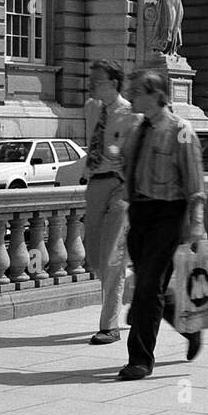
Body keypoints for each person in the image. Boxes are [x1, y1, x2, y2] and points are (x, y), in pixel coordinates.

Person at [117, 69, 206, 381]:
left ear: (156, 95)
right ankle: (189, 327)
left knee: (147, 287)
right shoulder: (138, 128)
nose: (131, 97)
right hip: (140, 214)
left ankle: (139, 359)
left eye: (137, 92)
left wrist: (195, 226)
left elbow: (195, 185)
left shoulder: (181, 130)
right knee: (150, 288)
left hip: (169, 214)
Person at [81, 59, 141, 345]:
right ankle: (140, 290)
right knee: (94, 257)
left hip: (120, 188)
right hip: (95, 185)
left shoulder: (131, 115)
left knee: (112, 257)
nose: (91, 83)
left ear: (114, 82)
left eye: (98, 79)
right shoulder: (91, 108)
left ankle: (110, 326)